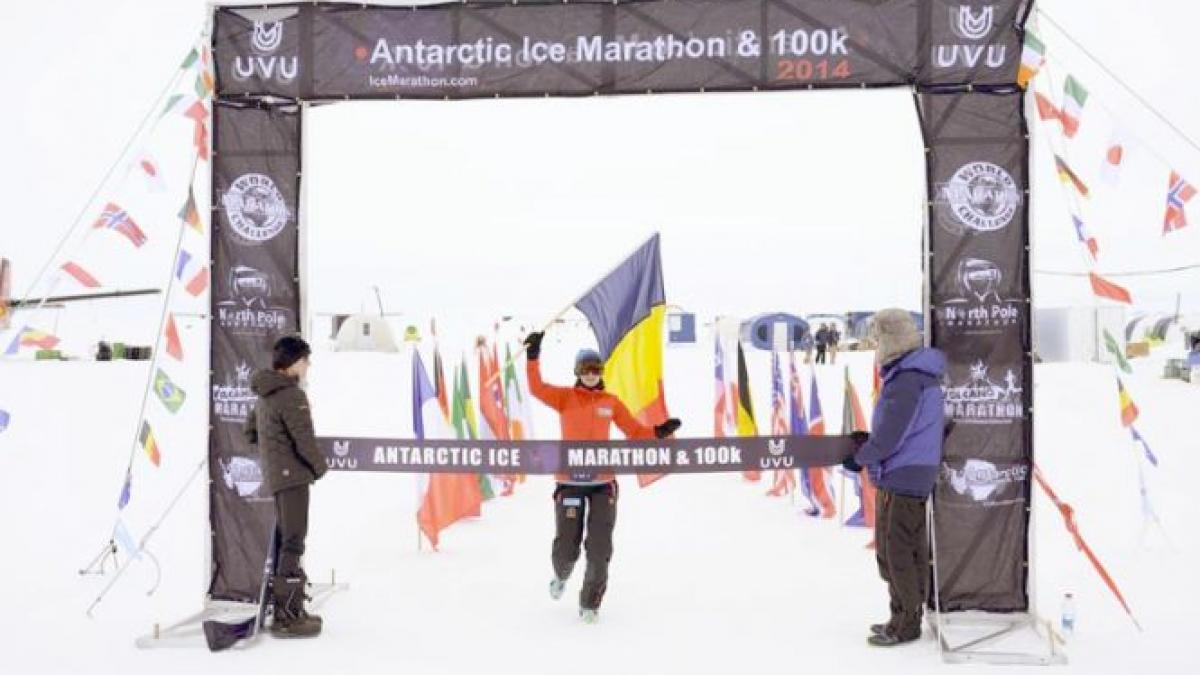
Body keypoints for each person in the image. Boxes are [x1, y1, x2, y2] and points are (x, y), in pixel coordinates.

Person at [523, 331, 681, 624]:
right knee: (568, 547)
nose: (592, 375)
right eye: (586, 370)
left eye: (596, 369)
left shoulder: (611, 401)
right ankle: (561, 574)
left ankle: (590, 603)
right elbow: (536, 387)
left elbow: (634, 432)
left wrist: (658, 432)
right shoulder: (564, 398)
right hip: (570, 482)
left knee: (599, 547)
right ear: (577, 372)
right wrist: (533, 357)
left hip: (602, 484)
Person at [841, 309, 945, 647]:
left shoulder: (906, 380)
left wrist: (861, 458)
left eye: (876, 339)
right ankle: (903, 615)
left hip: (904, 473)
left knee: (894, 552)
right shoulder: (915, 375)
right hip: (910, 471)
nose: (874, 346)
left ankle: (906, 624)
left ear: (888, 339)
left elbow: (891, 435)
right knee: (905, 550)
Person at [245, 335, 327, 638]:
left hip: (278, 476)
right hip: (292, 477)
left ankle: (290, 610)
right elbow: (304, 440)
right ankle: (287, 617)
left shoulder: (266, 394)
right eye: (305, 359)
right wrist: (319, 467)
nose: (308, 365)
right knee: (293, 540)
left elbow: (250, 431)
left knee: (286, 540)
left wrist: (272, 454)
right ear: (292, 362)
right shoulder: (291, 396)